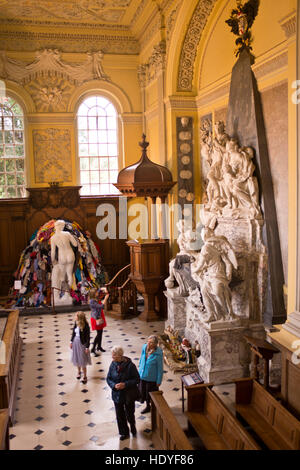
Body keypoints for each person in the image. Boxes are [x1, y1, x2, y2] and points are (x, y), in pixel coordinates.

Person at [106, 346, 140, 441]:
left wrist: (125, 384)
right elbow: (108, 378)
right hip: (117, 395)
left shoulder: (130, 365)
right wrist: (114, 385)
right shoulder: (113, 364)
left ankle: (132, 425)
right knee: (119, 415)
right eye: (112, 356)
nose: (112, 358)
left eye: (114, 356)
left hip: (128, 394)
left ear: (120, 356)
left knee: (129, 413)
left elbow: (137, 379)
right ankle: (124, 433)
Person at [51, 219, 77, 306]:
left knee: (63, 277)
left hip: (62, 257)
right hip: (70, 254)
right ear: (61, 226)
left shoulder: (53, 238)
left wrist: (53, 261)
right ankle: (67, 294)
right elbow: (75, 244)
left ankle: (65, 294)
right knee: (69, 275)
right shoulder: (67, 234)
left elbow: (53, 253)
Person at [138, 335, 163, 414]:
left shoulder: (158, 354)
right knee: (143, 393)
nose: (149, 343)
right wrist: (139, 369)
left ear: (155, 344)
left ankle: (149, 406)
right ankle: (147, 405)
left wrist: (159, 381)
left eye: (151, 342)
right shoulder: (144, 348)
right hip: (142, 376)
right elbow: (141, 359)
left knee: (150, 395)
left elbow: (160, 369)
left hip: (151, 379)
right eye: (148, 341)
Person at [70, 311, 91, 384]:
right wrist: (71, 342)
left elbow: (88, 337)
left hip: (82, 344)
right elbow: (73, 333)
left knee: (82, 359)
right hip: (75, 342)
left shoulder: (86, 326)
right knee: (77, 358)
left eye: (76, 316)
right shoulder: (76, 323)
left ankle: (85, 376)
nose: (75, 317)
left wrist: (87, 347)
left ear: (80, 317)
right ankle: (79, 372)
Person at [89, 288, 106, 356]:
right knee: (98, 334)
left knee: (101, 332)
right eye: (96, 292)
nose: (98, 293)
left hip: (99, 317)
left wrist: (101, 288)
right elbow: (100, 306)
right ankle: (93, 349)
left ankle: (99, 346)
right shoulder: (92, 301)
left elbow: (99, 290)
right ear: (93, 294)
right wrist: (105, 299)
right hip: (95, 319)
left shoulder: (95, 298)